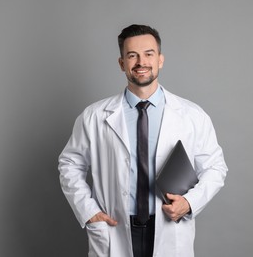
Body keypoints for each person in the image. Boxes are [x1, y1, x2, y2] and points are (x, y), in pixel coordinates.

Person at [58, 24, 228, 257]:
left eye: (148, 54)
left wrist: (189, 203)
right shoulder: (95, 116)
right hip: (114, 228)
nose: (141, 62)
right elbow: (69, 164)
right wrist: (88, 211)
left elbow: (216, 168)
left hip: (169, 225)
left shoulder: (192, 115)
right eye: (132, 55)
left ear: (160, 59)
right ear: (122, 63)